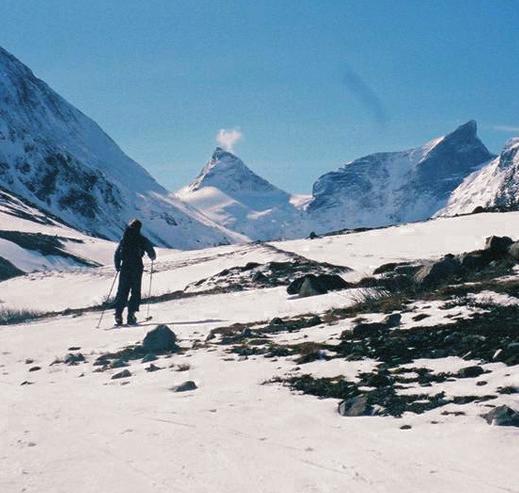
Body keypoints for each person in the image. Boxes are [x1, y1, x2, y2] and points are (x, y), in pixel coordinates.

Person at [113, 219, 156, 326]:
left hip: (125, 267)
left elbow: (117, 254)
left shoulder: (124, 238)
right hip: (136, 267)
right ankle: (131, 315)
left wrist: (118, 266)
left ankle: (118, 314)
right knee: (135, 291)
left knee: (122, 290)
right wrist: (152, 256)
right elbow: (151, 251)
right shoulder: (141, 238)